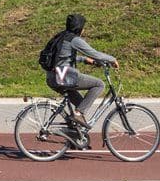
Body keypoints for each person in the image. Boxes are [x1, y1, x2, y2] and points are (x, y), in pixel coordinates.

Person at [39, 13, 117, 148]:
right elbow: (94, 53)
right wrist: (112, 59)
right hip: (63, 76)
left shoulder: (62, 36)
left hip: (53, 77)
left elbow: (63, 57)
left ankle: (75, 138)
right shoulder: (75, 40)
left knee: (82, 103)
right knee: (99, 84)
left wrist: (86, 61)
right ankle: (78, 113)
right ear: (80, 28)